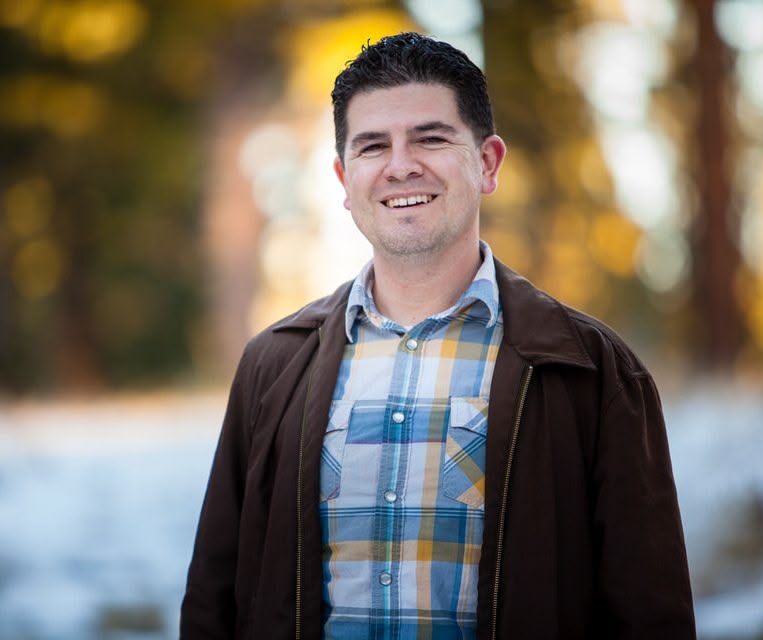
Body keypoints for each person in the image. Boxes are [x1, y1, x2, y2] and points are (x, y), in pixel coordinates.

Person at [180, 32, 695, 639]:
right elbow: (214, 604)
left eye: (430, 137)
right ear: (345, 180)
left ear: (487, 163)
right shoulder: (273, 366)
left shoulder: (592, 369)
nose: (402, 165)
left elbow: (649, 614)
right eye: (374, 146)